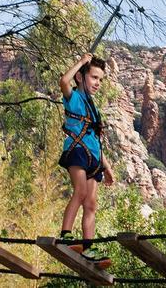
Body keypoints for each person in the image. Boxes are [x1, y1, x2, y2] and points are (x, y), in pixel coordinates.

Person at [57, 52, 114, 268]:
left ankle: (88, 246)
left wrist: (106, 167)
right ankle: (65, 234)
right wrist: (81, 62)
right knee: (80, 193)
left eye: (100, 79)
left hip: (93, 157)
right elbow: (63, 81)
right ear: (81, 77)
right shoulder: (74, 98)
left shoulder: (94, 108)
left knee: (91, 204)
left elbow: (96, 141)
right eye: (94, 77)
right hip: (77, 151)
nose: (98, 83)